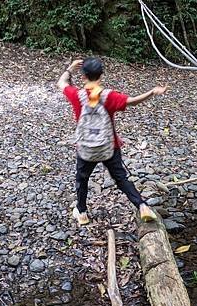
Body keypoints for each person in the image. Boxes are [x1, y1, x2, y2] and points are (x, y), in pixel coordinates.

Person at [57, 57, 167, 225]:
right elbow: (132, 101)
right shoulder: (108, 96)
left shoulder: (76, 95)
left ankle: (82, 213)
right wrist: (152, 92)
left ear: (83, 76)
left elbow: (62, 82)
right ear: (101, 75)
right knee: (121, 178)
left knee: (82, 179)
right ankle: (142, 206)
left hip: (86, 148)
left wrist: (70, 68)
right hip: (109, 146)